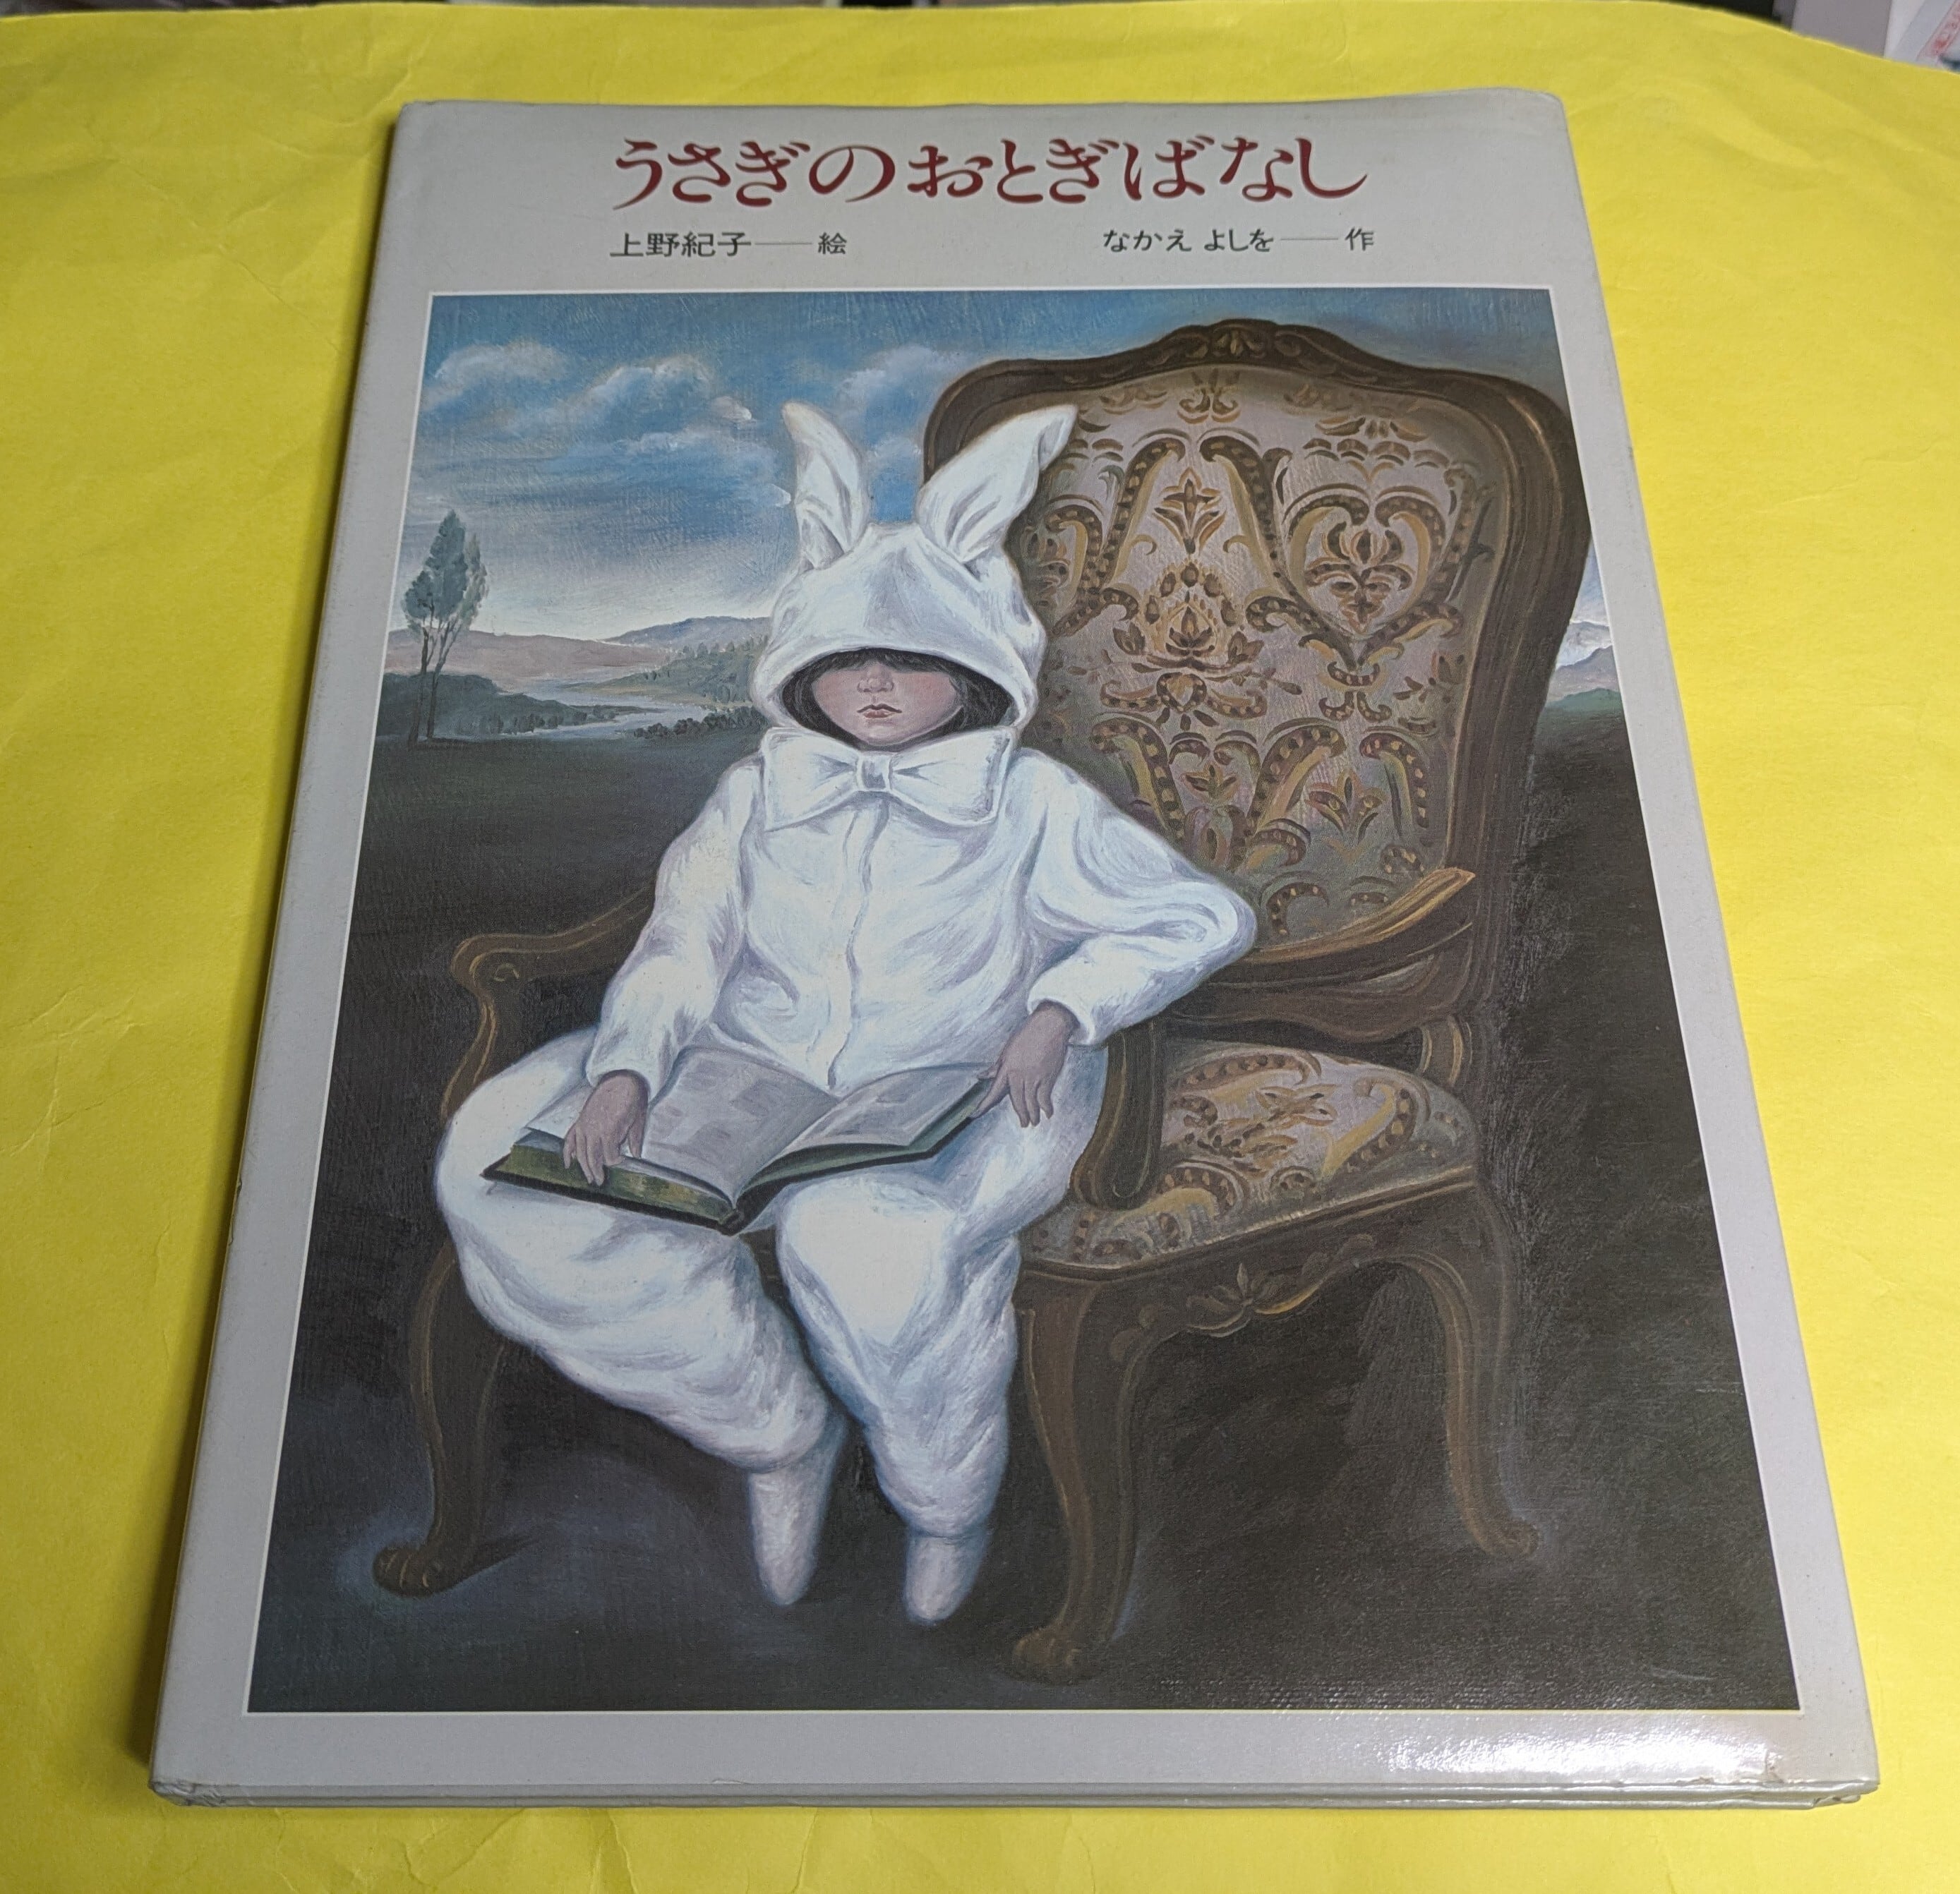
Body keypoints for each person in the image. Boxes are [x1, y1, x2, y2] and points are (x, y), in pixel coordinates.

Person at [434, 399, 1254, 1625]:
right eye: (849, 659)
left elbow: (1197, 915)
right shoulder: (756, 792)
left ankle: (940, 1501)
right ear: (802, 672)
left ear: (970, 678)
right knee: (501, 1171)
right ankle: (772, 1431)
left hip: (969, 1087)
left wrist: (1062, 1007)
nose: (876, 684)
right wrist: (629, 1068)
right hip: (746, 1069)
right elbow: (683, 944)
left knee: (859, 1239)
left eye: (912, 662)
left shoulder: (1029, 801)